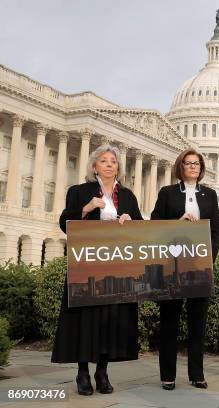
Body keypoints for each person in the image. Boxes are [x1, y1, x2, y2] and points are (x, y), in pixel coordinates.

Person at [52, 144, 143, 396]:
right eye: (103, 160)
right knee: (86, 318)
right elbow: (64, 223)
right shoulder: (80, 192)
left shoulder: (128, 196)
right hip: (86, 265)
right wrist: (87, 208)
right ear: (94, 167)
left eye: (113, 161)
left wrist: (131, 222)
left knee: (110, 319)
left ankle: (102, 371)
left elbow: (142, 230)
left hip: (117, 267)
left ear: (118, 168)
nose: (109, 164)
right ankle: (83, 372)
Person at [150, 148, 219, 391]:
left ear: (201, 168)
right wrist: (177, 223)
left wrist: (209, 259)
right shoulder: (168, 193)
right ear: (180, 167)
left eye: (197, 164)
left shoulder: (209, 195)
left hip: (198, 265)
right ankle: (167, 375)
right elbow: (155, 223)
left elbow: (215, 231)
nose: (193, 167)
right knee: (169, 320)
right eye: (188, 163)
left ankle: (197, 374)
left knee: (197, 322)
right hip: (172, 264)